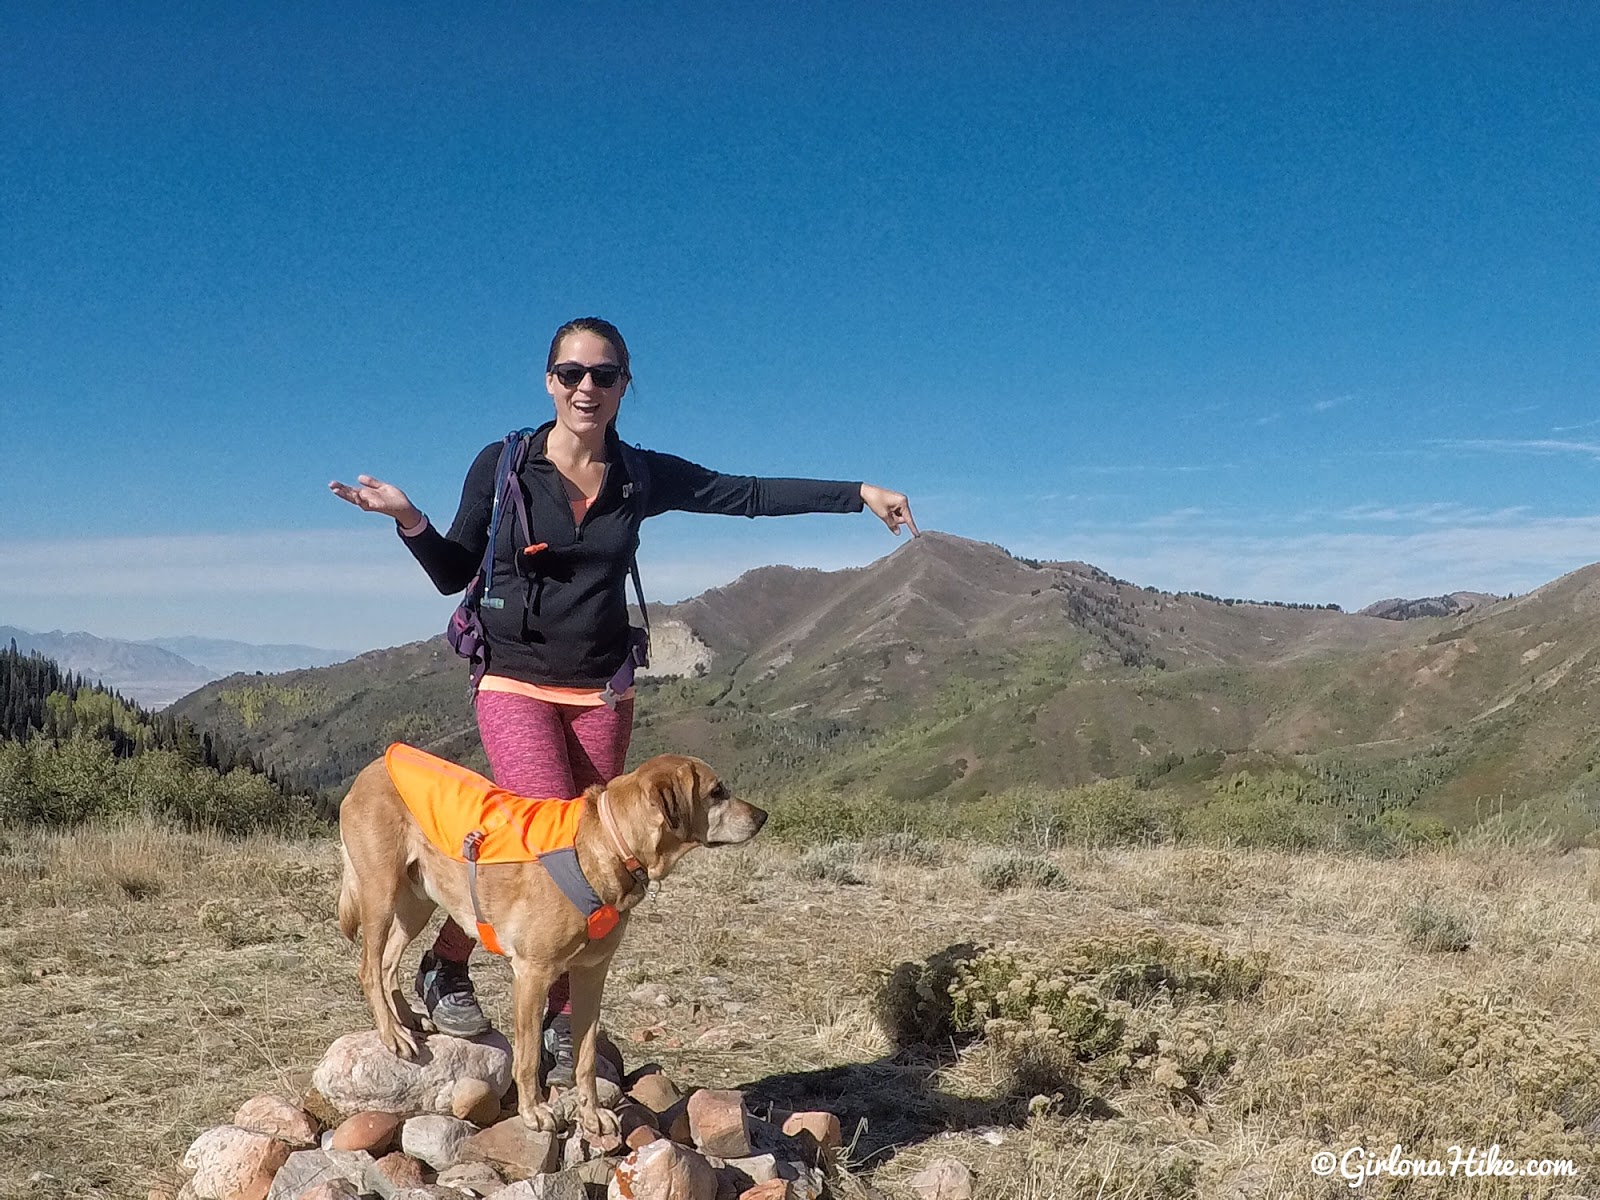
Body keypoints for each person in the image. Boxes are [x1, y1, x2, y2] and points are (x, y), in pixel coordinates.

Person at [329, 315, 917, 1082]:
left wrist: (858, 493)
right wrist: (409, 519)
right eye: (571, 373)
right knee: (545, 848)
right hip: (512, 678)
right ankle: (489, 985)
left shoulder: (639, 474)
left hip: (602, 690)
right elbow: (453, 572)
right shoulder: (504, 465)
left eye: (603, 375)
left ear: (623, 387)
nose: (586, 387)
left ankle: (523, 1005)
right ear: (549, 381)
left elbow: (743, 493)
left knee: (602, 860)